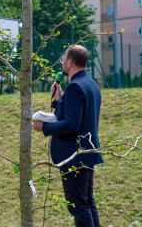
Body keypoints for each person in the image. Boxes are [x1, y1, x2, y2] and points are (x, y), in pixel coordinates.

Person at [33, 45, 104, 227]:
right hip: (87, 152)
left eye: (63, 59)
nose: (62, 63)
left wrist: (44, 128)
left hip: (74, 156)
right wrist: (59, 100)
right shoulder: (91, 84)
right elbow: (76, 117)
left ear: (70, 62)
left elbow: (72, 125)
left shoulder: (75, 87)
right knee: (87, 202)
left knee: (79, 206)